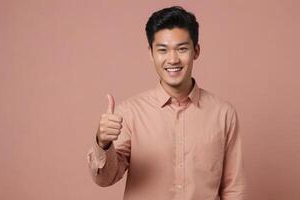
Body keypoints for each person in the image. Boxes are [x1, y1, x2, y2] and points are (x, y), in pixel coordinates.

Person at [86, 6, 247, 200]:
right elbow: (106, 178)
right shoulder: (129, 113)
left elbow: (233, 189)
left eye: (182, 49)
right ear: (151, 53)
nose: (172, 59)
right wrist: (102, 143)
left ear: (196, 51)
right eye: (162, 50)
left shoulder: (223, 114)